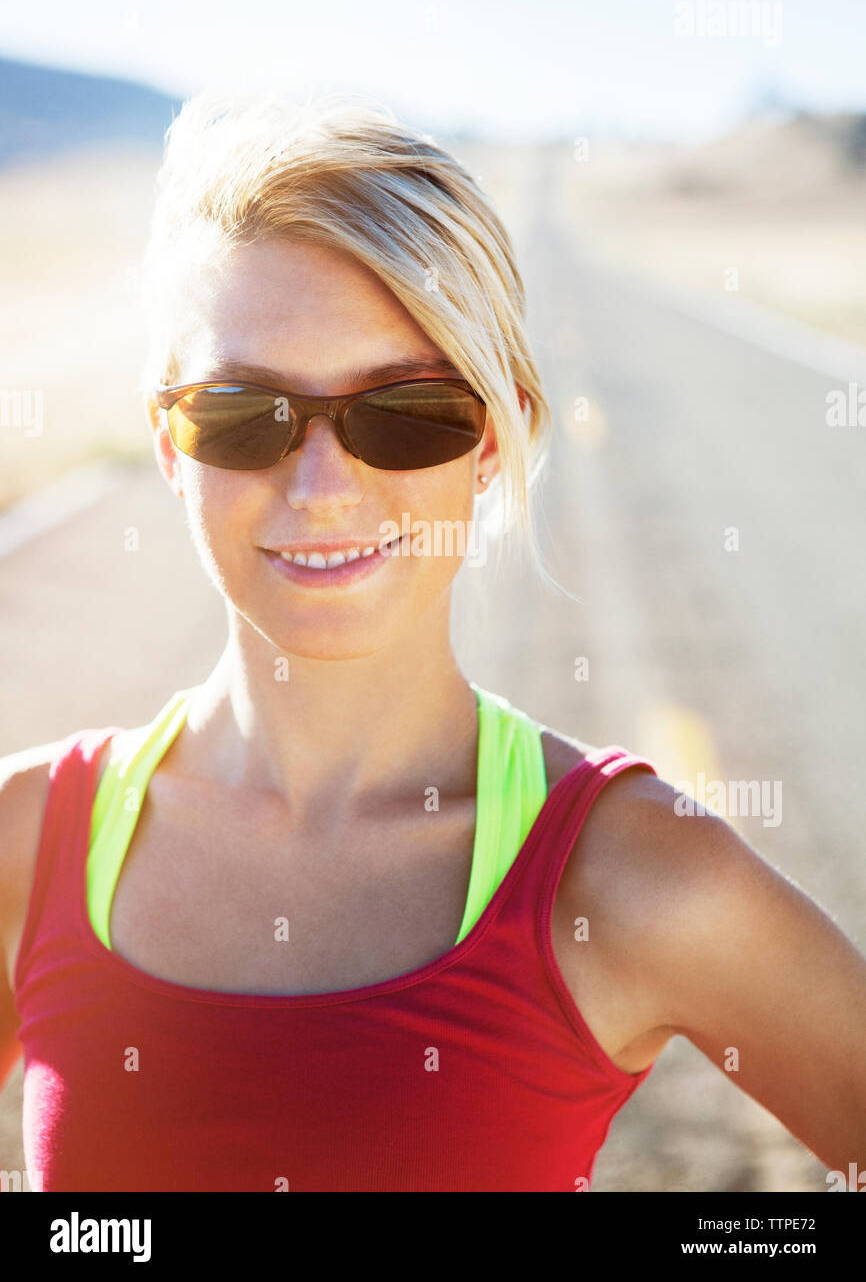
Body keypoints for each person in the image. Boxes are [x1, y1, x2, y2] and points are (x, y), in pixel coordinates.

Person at [1, 91, 864, 1192]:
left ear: (492, 441)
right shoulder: (26, 846)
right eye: (242, 412)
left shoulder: (635, 878)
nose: (320, 488)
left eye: (403, 413)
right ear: (169, 442)